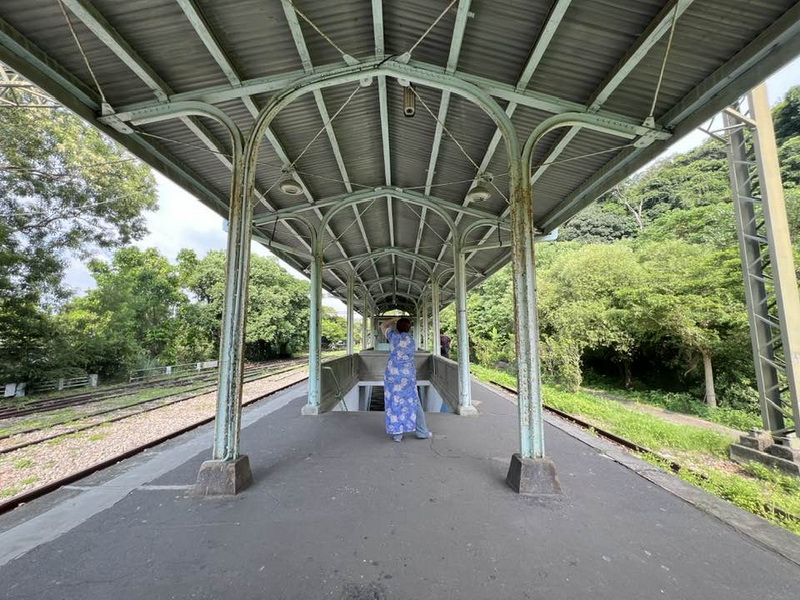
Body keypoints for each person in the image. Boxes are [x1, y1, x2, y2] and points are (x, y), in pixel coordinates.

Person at [380, 317, 432, 442]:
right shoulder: (411, 341)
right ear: (409, 328)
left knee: (394, 403)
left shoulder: (393, 337)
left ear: (397, 328)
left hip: (392, 377)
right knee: (414, 402)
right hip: (407, 377)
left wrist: (394, 319)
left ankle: (397, 434)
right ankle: (422, 431)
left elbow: (383, 325)